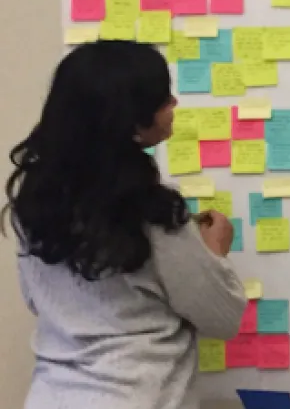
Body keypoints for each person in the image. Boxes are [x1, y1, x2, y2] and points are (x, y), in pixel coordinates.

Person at [2, 41, 247, 409]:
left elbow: (38, 300)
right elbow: (222, 318)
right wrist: (214, 252)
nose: (174, 104)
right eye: (163, 98)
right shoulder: (153, 210)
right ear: (129, 118)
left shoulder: (33, 201)